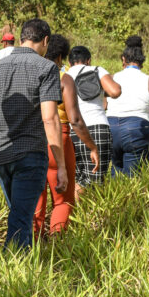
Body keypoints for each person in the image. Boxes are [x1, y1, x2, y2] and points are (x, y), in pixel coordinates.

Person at [0, 18, 66, 249]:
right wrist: (61, 165)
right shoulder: (46, 68)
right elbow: (50, 118)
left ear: (20, 39)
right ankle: (17, 273)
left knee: (18, 214)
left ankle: (18, 268)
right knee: (21, 219)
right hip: (30, 154)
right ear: (46, 41)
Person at [33, 35, 100, 237]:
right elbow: (76, 120)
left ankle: (33, 245)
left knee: (37, 198)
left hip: (33, 140)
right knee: (63, 198)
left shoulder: (30, 75)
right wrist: (92, 147)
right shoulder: (64, 79)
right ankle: (57, 244)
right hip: (59, 140)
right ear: (61, 57)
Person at [107, 35, 149, 176]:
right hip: (137, 129)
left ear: (123, 59)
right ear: (142, 61)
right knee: (133, 176)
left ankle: (112, 197)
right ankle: (132, 197)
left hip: (111, 129)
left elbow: (104, 105)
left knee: (115, 171)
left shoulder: (111, 79)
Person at [64, 46, 122, 195]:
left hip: (73, 130)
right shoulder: (97, 70)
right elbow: (115, 91)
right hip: (98, 127)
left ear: (70, 62)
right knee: (97, 177)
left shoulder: (65, 75)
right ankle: (94, 215)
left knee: (77, 178)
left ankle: (77, 214)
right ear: (88, 60)